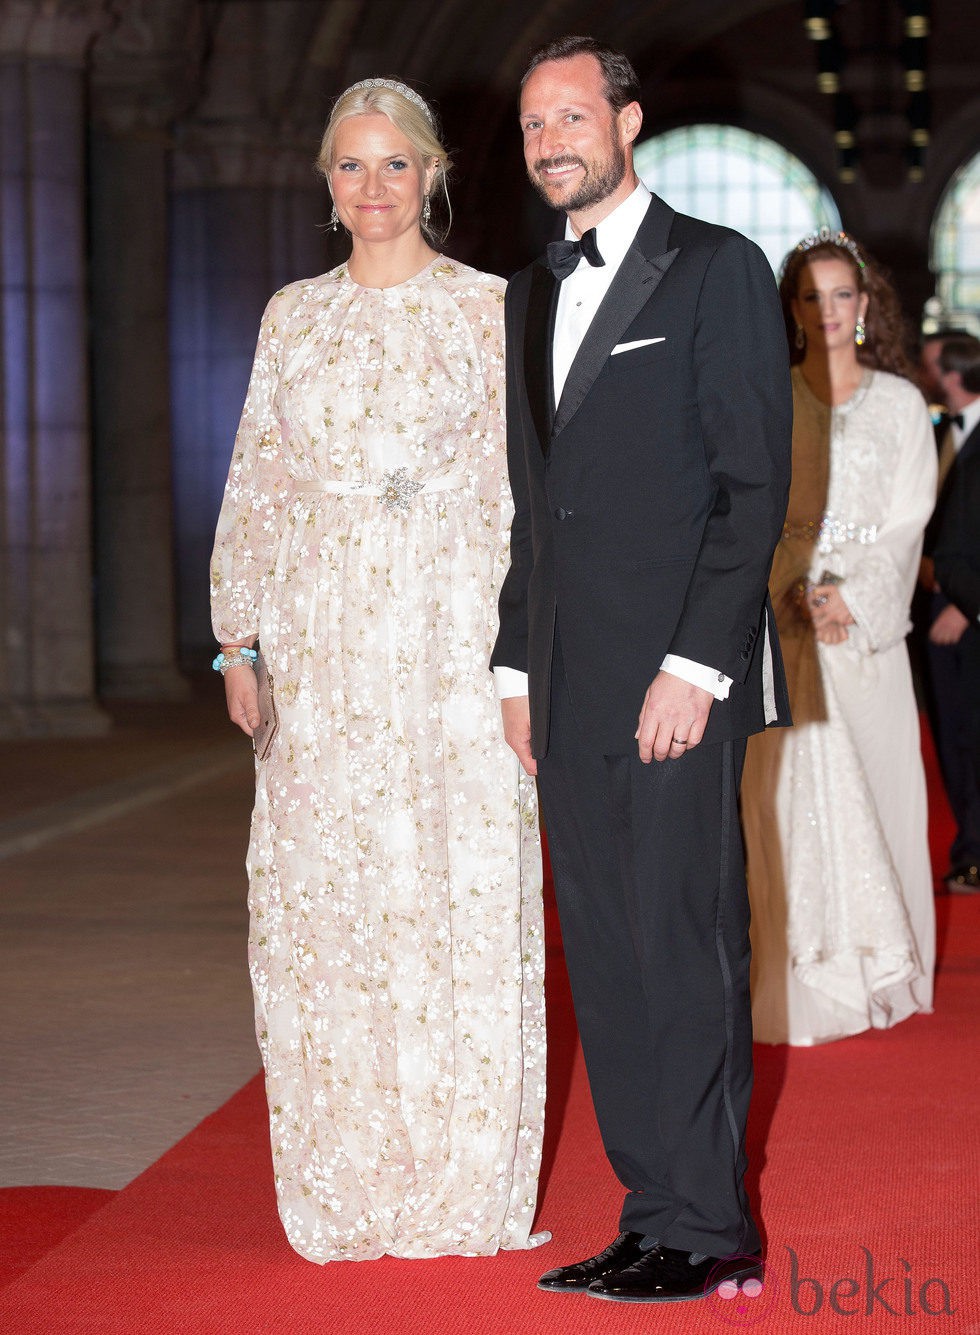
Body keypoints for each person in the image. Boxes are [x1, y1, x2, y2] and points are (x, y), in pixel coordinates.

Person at [210, 77, 546, 1264]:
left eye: (393, 164)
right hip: (322, 647)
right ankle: (348, 1173)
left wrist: (520, 658)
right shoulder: (291, 318)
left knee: (452, 888)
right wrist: (238, 638)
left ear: (434, 173)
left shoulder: (492, 311)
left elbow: (528, 501)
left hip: (450, 642)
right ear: (325, 181)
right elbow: (257, 479)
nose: (372, 188)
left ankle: (460, 1180)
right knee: (326, 900)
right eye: (350, 166)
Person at [491, 36, 792, 1304]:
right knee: (606, 955)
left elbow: (750, 488)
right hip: (564, 685)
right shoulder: (524, 293)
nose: (550, 140)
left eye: (570, 116)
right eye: (530, 127)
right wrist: (514, 665)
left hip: (677, 680)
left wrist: (695, 665)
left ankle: (710, 1222)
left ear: (623, 122)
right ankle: (648, 1207)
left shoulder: (716, 268)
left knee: (683, 947)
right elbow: (532, 505)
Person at [741, 229, 937, 1046]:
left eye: (842, 294)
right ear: (791, 309)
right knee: (783, 808)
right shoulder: (769, 395)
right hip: (781, 624)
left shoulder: (899, 404)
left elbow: (908, 519)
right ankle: (792, 970)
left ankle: (884, 965)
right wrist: (785, 588)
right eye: (811, 296)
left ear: (865, 306)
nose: (828, 310)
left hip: (864, 640)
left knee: (881, 794)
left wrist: (850, 597)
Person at [930, 335, 980, 889]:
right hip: (936, 605)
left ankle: (974, 852)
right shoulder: (940, 428)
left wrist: (968, 607)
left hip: (969, 611)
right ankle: (969, 847)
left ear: (952, 373)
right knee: (953, 737)